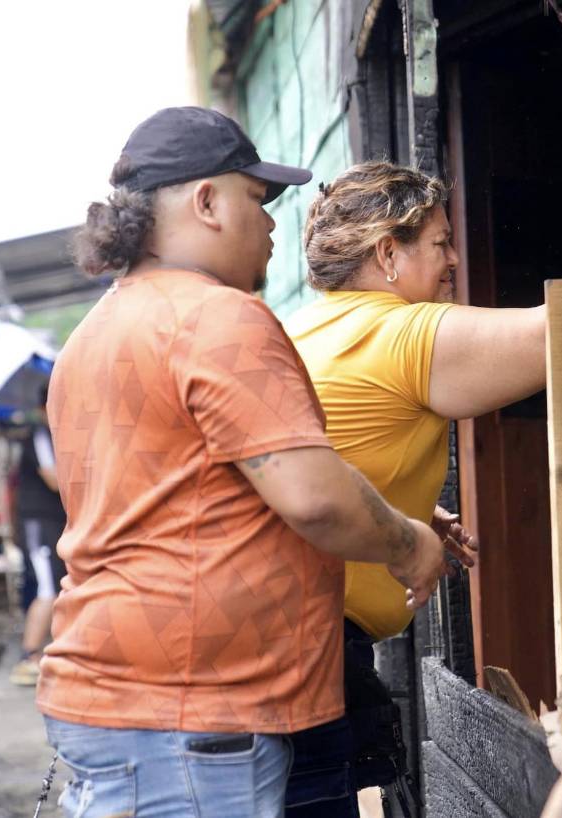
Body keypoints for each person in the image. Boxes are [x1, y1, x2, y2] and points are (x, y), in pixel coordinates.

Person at [36, 107, 459, 818]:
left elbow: (199, 493)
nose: (271, 226)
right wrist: (408, 542)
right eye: (258, 201)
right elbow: (314, 498)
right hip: (195, 718)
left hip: (122, 697)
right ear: (206, 202)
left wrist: (391, 510)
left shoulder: (94, 333)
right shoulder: (216, 317)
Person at [282, 161, 562, 813]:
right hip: (304, 656)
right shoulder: (393, 332)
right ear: (388, 253)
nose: (453, 261)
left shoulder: (309, 328)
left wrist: (393, 509)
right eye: (441, 243)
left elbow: (325, 455)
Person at [9, 384, 67, 686]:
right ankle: (28, 655)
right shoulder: (41, 436)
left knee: (58, 586)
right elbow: (55, 481)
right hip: (38, 525)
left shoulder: (56, 437)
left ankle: (54, 651)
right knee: (47, 589)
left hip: (53, 524)